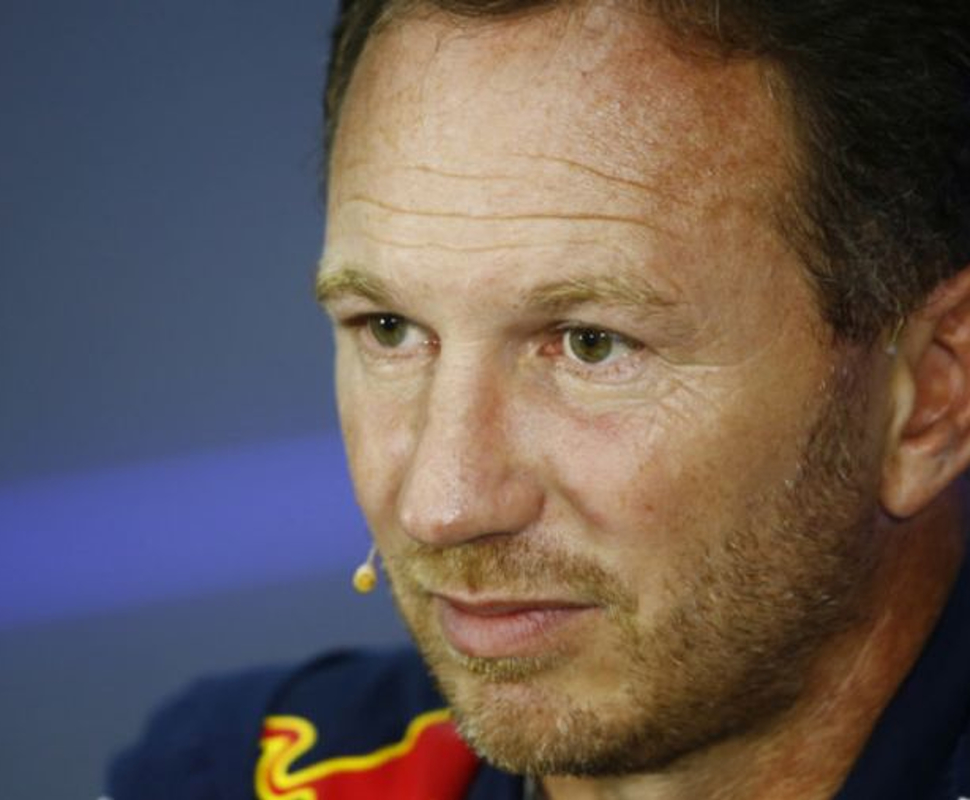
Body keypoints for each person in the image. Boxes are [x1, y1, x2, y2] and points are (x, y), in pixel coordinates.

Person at [105, 1, 970, 798]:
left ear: (933, 395)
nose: (441, 507)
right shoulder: (231, 777)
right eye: (390, 329)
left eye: (592, 344)